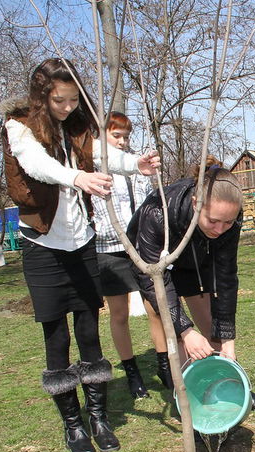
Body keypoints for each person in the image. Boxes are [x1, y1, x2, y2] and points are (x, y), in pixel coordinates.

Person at [2, 58, 160, 452]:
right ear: (42, 96)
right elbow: (36, 165)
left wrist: (136, 165)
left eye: (74, 99)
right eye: (60, 100)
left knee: (90, 333)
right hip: (42, 246)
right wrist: (77, 178)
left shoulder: (79, 128)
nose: (68, 107)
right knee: (57, 339)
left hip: (82, 244)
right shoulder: (18, 125)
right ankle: (73, 426)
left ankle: (99, 417)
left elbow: (107, 158)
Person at [127, 155, 255, 413]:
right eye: (213, 220)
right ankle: (189, 395)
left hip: (196, 258)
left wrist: (229, 340)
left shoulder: (228, 220)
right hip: (157, 262)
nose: (220, 228)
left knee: (212, 329)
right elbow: (151, 278)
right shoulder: (158, 212)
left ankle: (231, 387)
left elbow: (226, 276)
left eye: (228, 222)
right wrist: (185, 331)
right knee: (181, 334)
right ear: (196, 204)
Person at [91, 111, 166, 399]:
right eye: (116, 135)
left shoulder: (137, 165)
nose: (122, 141)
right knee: (119, 313)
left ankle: (164, 365)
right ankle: (132, 372)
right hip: (108, 249)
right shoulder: (95, 167)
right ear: (102, 136)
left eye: (125, 136)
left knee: (156, 308)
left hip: (141, 247)